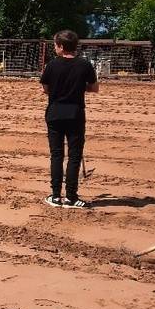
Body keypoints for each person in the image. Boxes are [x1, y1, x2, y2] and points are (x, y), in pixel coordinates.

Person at [39, 30, 98, 209]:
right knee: (74, 155)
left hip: (55, 114)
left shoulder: (51, 65)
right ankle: (71, 197)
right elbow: (94, 88)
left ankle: (56, 196)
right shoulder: (85, 65)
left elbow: (45, 88)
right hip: (75, 115)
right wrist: (80, 87)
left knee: (56, 155)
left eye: (56, 45)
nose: (55, 48)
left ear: (61, 47)